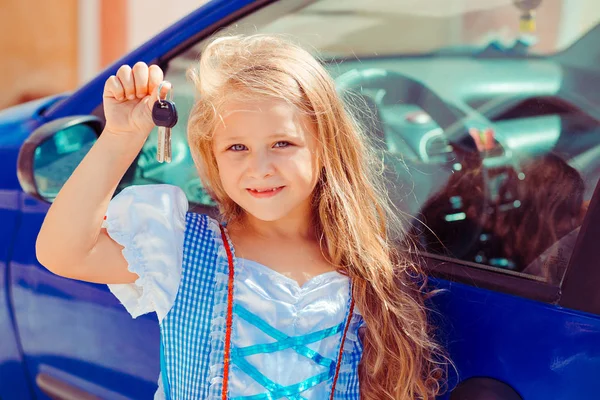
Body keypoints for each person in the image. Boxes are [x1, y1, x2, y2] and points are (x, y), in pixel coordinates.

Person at [36, 34, 446, 399]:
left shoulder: (359, 263)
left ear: (325, 148)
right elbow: (64, 252)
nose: (260, 167)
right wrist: (121, 137)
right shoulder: (185, 250)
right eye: (237, 148)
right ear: (211, 156)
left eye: (282, 143)